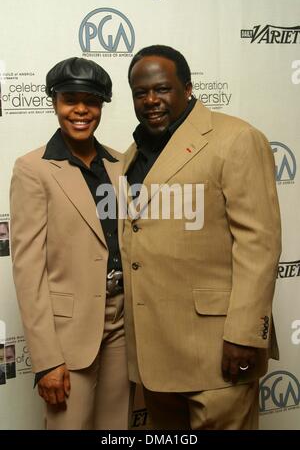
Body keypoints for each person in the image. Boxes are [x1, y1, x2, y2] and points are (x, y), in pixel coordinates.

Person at [121, 45, 281, 430]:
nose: (150, 100)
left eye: (162, 89)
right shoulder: (134, 152)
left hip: (218, 349)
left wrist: (245, 334)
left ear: (188, 88)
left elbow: (259, 243)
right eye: (140, 93)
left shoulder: (236, 138)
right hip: (157, 354)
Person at [10, 57, 131, 429]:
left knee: (117, 429)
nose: (80, 110)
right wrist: (46, 359)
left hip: (124, 327)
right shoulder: (33, 169)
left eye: (91, 101)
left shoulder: (120, 163)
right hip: (68, 336)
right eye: (70, 100)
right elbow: (28, 270)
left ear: (101, 106)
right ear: (54, 102)